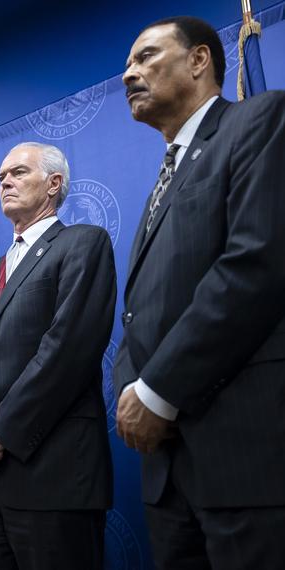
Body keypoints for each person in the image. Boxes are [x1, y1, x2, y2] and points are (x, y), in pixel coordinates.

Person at [115, 16, 285, 568]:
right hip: (166, 467)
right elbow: (141, 310)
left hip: (243, 455)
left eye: (145, 56)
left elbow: (254, 265)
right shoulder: (162, 180)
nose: (129, 73)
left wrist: (155, 392)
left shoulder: (259, 119)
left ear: (199, 60)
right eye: (127, 64)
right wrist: (130, 391)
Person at [0, 142, 116, 569]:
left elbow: (67, 351)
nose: (5, 181)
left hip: (54, 476)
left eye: (18, 172)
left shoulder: (83, 243)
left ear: (54, 183)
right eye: (1, 176)